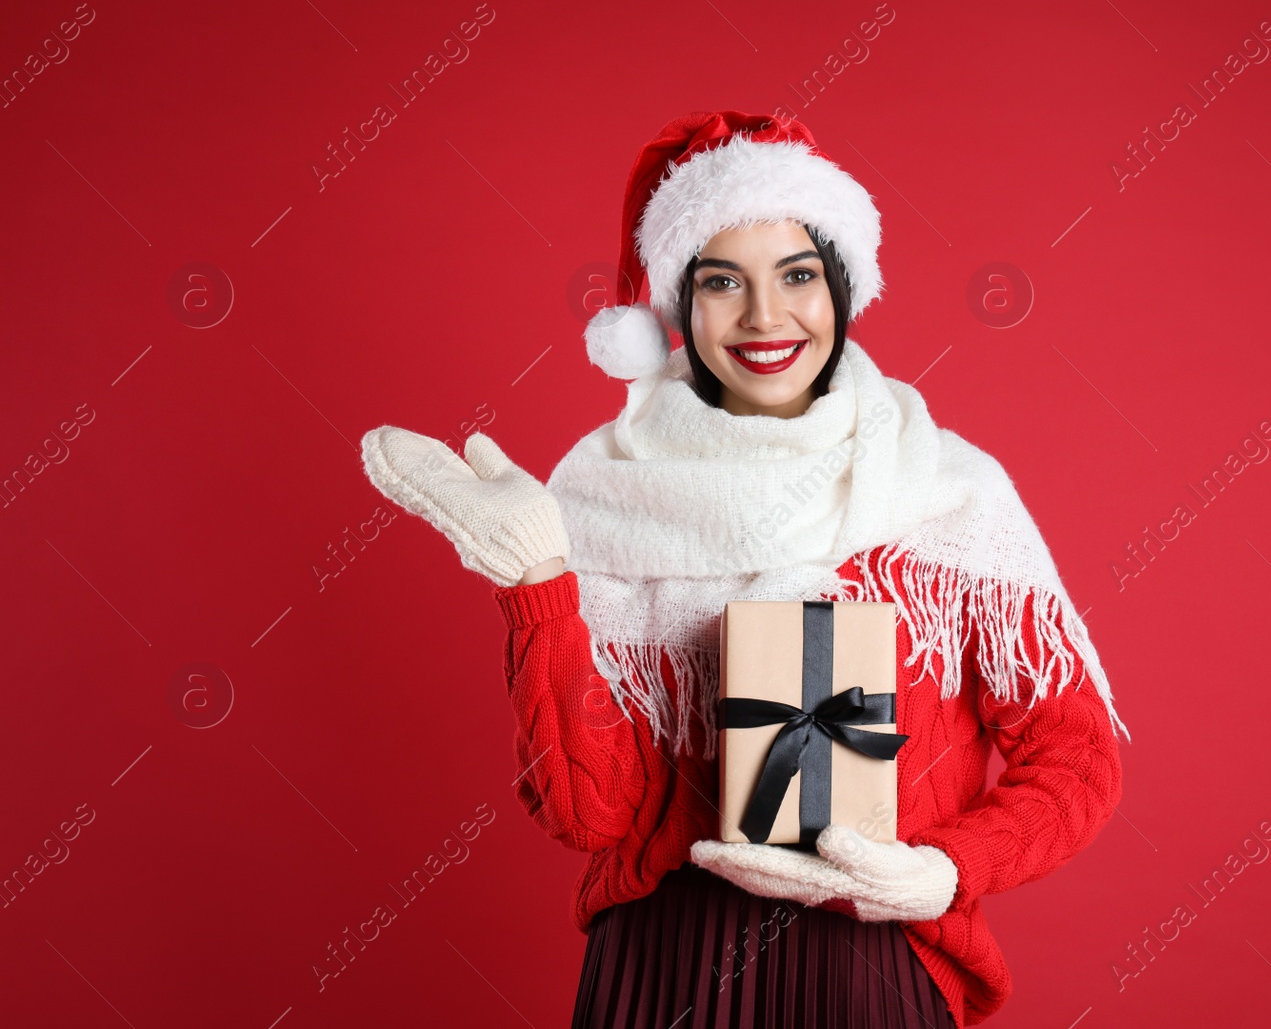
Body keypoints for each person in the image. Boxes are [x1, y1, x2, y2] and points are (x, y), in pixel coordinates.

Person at [359, 111, 1130, 1028]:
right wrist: (538, 585)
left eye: (798, 275)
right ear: (678, 305)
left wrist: (946, 869)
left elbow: (1077, 757)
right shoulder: (602, 494)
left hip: (874, 961)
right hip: (665, 964)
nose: (766, 318)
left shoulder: (948, 494)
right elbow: (591, 816)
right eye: (723, 281)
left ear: (843, 287)